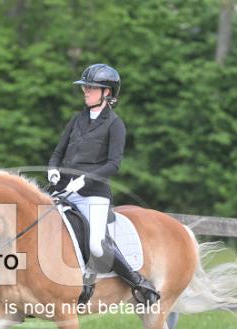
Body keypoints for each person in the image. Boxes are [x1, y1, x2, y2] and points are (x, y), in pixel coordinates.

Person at [47, 63, 160, 305]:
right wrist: (53, 170)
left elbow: (113, 164)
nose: (85, 92)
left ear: (106, 92)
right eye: (85, 87)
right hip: (63, 189)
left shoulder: (115, 124)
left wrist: (85, 179)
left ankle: (138, 282)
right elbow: (58, 152)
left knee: (96, 245)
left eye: (91, 88)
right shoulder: (77, 119)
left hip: (93, 193)